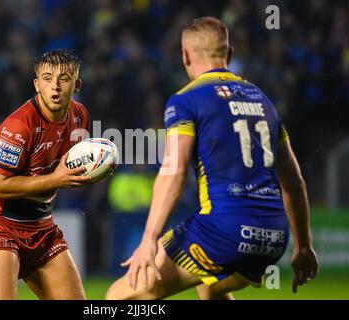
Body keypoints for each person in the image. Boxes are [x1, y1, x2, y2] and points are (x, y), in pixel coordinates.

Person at [106, 17, 318, 300]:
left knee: (119, 296)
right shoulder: (263, 101)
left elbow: (174, 171)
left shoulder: (186, 100)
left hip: (224, 232)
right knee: (209, 286)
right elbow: (294, 182)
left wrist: (149, 240)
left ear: (185, 56)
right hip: (272, 238)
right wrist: (303, 246)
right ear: (229, 54)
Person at [0, 50, 91, 300]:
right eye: (47, 78)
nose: (55, 86)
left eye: (64, 78)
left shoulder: (80, 116)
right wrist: (56, 180)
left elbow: (67, 171)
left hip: (42, 227)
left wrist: (92, 171)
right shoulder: (18, 125)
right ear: (37, 84)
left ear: (76, 85)